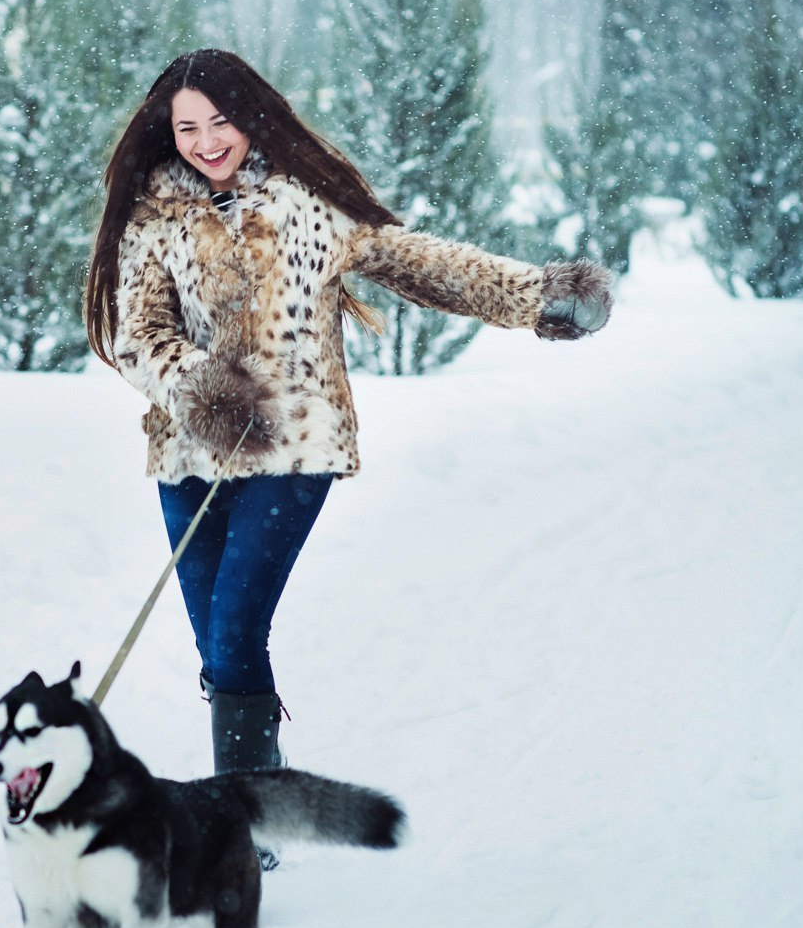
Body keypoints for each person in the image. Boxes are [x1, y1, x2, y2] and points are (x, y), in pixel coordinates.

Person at [84, 48, 612, 841]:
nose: (204, 140)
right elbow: (138, 335)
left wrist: (535, 295)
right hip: (191, 451)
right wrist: (204, 391)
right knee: (216, 644)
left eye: (219, 121)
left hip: (298, 446)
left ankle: (240, 831)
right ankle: (260, 788)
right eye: (187, 127)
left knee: (234, 629)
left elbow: (418, 260)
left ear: (250, 116)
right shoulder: (153, 216)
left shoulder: (309, 200)